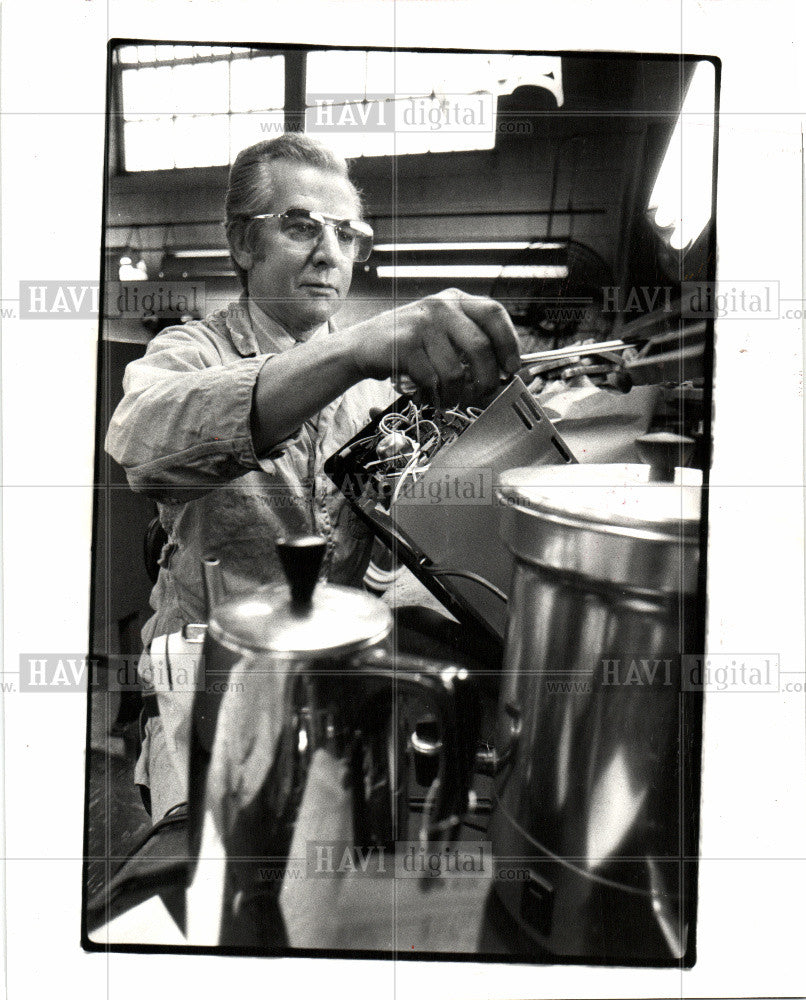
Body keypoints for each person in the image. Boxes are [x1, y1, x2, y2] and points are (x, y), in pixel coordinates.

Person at [106, 133, 521, 821]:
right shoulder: (191, 352)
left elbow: (394, 542)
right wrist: (354, 350)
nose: (330, 253)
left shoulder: (375, 397)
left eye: (347, 235)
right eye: (301, 227)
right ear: (243, 244)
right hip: (213, 691)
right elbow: (139, 442)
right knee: (216, 890)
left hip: (336, 691)